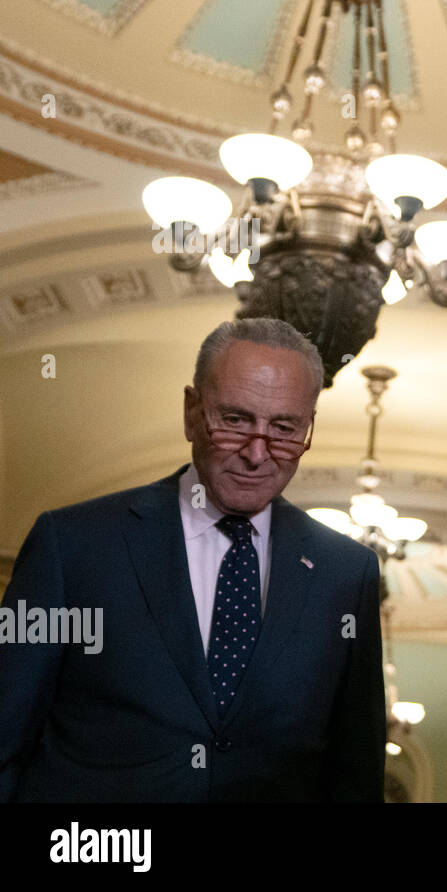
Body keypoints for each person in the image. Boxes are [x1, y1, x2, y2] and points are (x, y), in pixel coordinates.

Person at [0, 318, 385, 801]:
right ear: (190, 412)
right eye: (235, 421)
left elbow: (356, 775)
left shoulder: (347, 574)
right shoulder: (74, 545)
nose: (257, 453)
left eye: (284, 429)